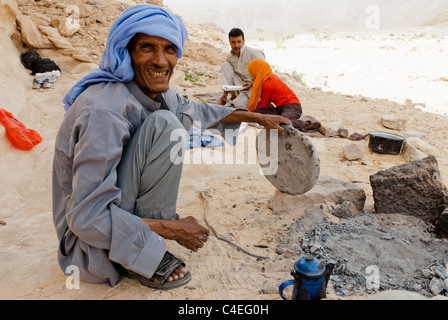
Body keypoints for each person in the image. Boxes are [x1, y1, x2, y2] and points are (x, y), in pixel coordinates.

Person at [52, 5, 290, 290]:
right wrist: (173, 230)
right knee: (166, 125)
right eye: (147, 48)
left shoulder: (149, 91)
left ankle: (145, 235)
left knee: (170, 120)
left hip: (109, 213)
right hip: (88, 243)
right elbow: (85, 218)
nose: (160, 60)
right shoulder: (105, 112)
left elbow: (196, 110)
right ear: (126, 52)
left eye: (169, 49)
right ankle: (137, 252)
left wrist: (258, 117)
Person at [247, 59, 326, 135]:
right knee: (259, 111)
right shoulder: (269, 76)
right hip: (280, 108)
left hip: (292, 106)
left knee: (284, 122)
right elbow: (258, 85)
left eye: (252, 72)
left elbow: (263, 103)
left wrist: (251, 108)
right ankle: (280, 117)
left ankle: (313, 125)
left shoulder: (267, 84)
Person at [221, 28, 265, 109]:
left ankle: (257, 106)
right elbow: (228, 73)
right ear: (229, 42)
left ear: (244, 41)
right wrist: (225, 94)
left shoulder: (254, 53)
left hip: (254, 87)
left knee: (238, 104)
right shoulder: (230, 57)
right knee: (225, 65)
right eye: (233, 42)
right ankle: (231, 95)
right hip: (240, 86)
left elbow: (265, 72)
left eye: (239, 42)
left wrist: (251, 83)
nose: (236, 45)